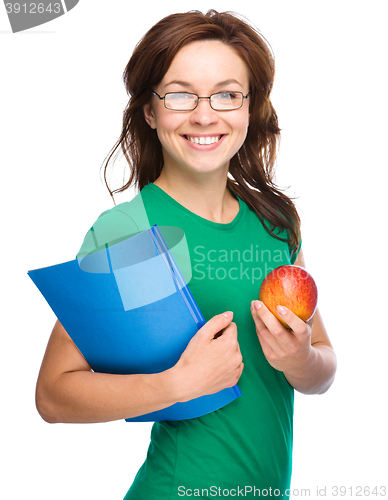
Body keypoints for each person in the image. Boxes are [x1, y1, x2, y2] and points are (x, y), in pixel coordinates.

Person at [35, 10, 337, 499]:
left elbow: (322, 368)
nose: (204, 114)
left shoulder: (275, 224)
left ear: (249, 107)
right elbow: (54, 393)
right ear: (150, 112)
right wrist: (178, 385)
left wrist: (300, 358)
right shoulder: (131, 231)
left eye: (226, 94)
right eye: (179, 94)